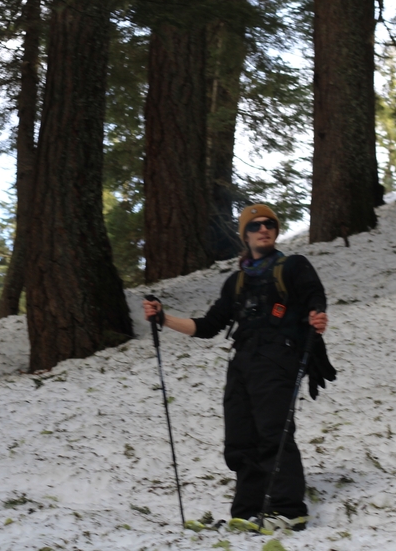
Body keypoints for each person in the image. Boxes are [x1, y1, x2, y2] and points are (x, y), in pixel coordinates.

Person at [142, 204, 335, 531]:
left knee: (274, 431)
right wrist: (163, 319)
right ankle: (247, 510)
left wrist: (317, 312)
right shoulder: (236, 282)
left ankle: (289, 509)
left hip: (279, 357)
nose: (264, 229)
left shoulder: (293, 266)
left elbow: (314, 295)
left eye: (269, 224)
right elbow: (209, 326)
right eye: (256, 225)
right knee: (240, 438)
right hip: (242, 362)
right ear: (245, 235)